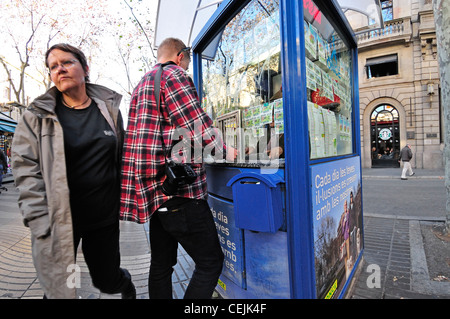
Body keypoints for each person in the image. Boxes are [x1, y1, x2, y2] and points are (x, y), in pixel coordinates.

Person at [11, 43, 135, 299]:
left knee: (107, 280)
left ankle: (125, 286)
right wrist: (37, 218)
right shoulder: (37, 116)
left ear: (85, 68)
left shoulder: (109, 110)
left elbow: (122, 156)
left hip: (104, 217)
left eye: (67, 62)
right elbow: (25, 169)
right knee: (60, 289)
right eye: (53, 67)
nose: (60, 69)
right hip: (60, 221)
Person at [120, 37, 236, 299]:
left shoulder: (142, 84)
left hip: (155, 193)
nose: (187, 66)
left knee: (161, 265)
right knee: (210, 263)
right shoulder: (174, 75)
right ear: (180, 55)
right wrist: (226, 150)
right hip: (182, 193)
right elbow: (195, 124)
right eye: (188, 60)